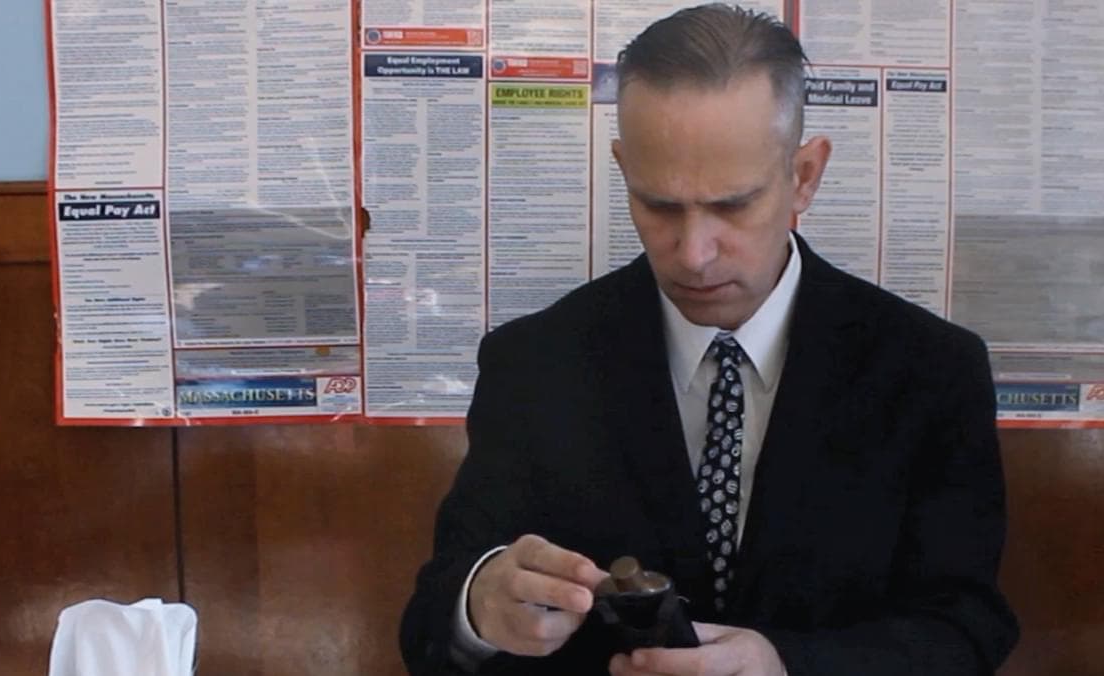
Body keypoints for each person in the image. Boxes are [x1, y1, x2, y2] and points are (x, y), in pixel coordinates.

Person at [399, 4, 1017, 674]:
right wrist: (477, 608)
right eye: (659, 205)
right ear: (623, 167)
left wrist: (787, 665)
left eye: (732, 205)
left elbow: (964, 629)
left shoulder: (930, 370)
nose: (694, 255)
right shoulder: (534, 364)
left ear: (804, 176)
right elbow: (432, 622)